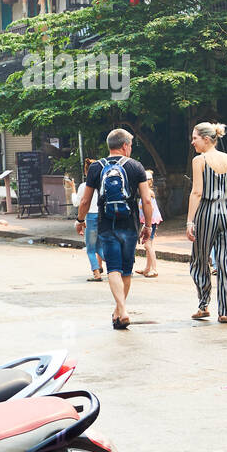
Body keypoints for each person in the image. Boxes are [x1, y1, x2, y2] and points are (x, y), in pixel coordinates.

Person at [75, 128, 153, 330]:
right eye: (131, 145)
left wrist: (80, 220)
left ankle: (121, 311)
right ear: (125, 146)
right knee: (126, 269)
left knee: (113, 269)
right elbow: (146, 200)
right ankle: (120, 310)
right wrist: (147, 225)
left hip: (106, 223)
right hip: (130, 224)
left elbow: (85, 200)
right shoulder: (136, 166)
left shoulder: (96, 167)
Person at [187, 122, 227, 323]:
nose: (192, 142)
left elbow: (197, 192)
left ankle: (204, 304)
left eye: (195, 138)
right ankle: (225, 311)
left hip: (207, 212)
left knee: (200, 260)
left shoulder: (199, 160)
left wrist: (189, 222)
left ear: (206, 139)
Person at [73, 159, 102, 281]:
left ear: (86, 172)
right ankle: (119, 266)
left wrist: (72, 189)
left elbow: (78, 203)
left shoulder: (84, 186)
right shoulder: (102, 185)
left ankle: (96, 273)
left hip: (91, 217)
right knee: (100, 247)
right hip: (103, 216)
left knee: (90, 249)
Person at [138, 169, 163, 278]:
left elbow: (150, 209)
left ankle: (154, 269)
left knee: (148, 245)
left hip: (150, 222)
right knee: (149, 245)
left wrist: (147, 225)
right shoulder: (146, 192)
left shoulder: (148, 193)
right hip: (149, 222)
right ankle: (147, 268)